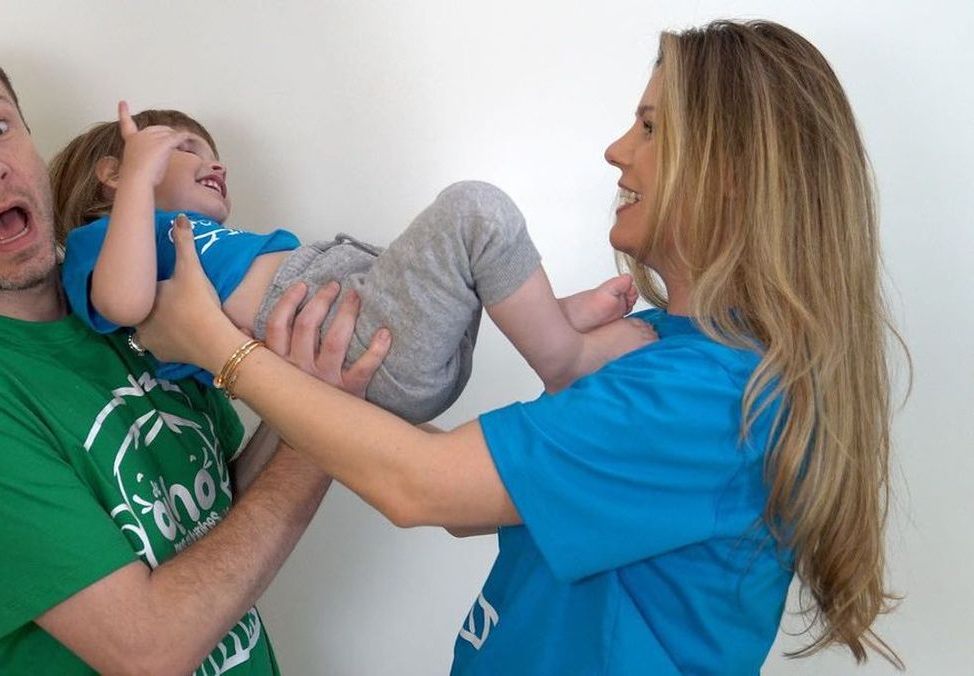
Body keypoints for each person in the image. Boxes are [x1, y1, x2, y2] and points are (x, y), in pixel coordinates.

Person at [135, 19, 905, 674]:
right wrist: (323, 384)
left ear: (730, 174)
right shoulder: (670, 349)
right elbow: (481, 496)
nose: (616, 151)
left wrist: (216, 347)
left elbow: (422, 488)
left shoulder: (707, 395)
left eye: (650, 127)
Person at [0, 37, 388, 675]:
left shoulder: (135, 295)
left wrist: (312, 395)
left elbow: (216, 511)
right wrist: (322, 430)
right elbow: (147, 650)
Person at [50, 103, 654, 423]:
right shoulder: (105, 240)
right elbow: (123, 303)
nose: (216, 164)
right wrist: (136, 180)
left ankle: (551, 316)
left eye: (213, 154)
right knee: (475, 210)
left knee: (455, 254)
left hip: (364, 316)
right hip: (365, 345)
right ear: (114, 174)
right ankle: (565, 357)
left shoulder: (195, 237)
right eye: (183, 149)